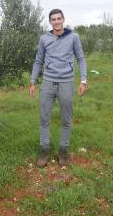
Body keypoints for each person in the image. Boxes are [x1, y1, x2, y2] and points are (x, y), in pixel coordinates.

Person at [29, 9, 87, 167]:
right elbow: (38, 61)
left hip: (66, 82)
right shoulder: (44, 39)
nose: (56, 21)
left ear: (63, 20)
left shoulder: (73, 37)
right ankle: (45, 151)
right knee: (44, 118)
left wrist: (83, 80)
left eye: (58, 18)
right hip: (48, 82)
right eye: (53, 19)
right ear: (50, 22)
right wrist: (33, 81)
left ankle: (63, 151)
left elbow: (80, 58)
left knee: (66, 120)